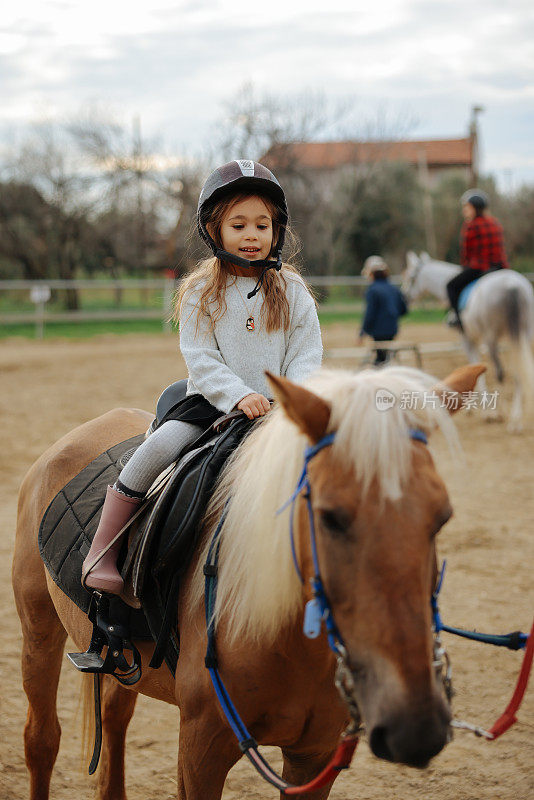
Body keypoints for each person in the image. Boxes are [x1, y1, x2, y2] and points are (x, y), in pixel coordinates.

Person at [81, 159, 323, 602]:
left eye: (262, 225)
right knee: (158, 447)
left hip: (281, 409)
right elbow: (201, 358)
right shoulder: (198, 291)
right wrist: (240, 395)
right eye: (239, 225)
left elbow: (306, 355)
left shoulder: (294, 292)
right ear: (215, 231)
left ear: (276, 230)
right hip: (212, 404)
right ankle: (104, 550)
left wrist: (293, 398)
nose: (252, 235)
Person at [446, 189, 509, 328]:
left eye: (466, 207)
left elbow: (466, 254)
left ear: (474, 208)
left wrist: (465, 267)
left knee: (451, 286)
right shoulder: (495, 222)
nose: (464, 211)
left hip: (479, 268)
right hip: (500, 267)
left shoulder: (471, 225)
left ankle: (457, 319)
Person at [358, 256, 408, 365]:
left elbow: (370, 314)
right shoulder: (394, 289)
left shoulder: (372, 290)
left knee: (380, 358)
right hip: (393, 329)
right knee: (385, 355)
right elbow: (403, 310)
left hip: (378, 331)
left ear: (371, 273)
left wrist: (363, 332)